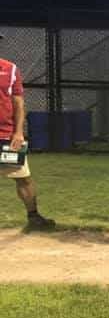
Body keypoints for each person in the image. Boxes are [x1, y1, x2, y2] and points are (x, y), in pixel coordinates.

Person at [0, 48, 55, 230]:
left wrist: (18, 132)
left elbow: (18, 103)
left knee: (23, 178)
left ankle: (34, 217)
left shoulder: (10, 69)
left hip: (6, 135)